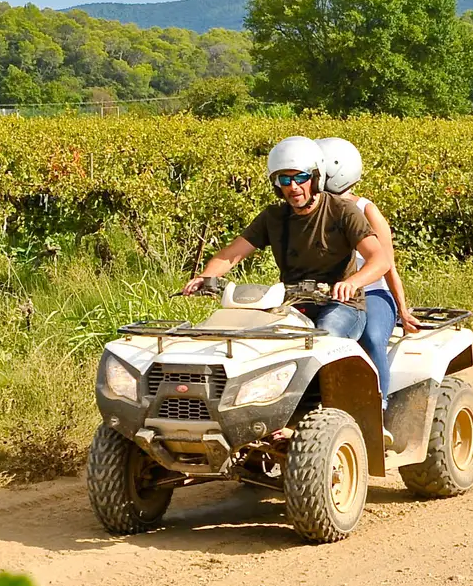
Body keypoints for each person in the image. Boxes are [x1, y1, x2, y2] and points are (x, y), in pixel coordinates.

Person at [181, 136, 390, 348]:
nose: (293, 186)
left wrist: (351, 283)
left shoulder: (342, 211)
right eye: (285, 180)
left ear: (316, 178)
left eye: (300, 177)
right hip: (291, 303)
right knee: (251, 342)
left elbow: (380, 260)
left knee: (325, 337)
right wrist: (205, 277)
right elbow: (230, 254)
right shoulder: (273, 217)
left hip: (341, 304)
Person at [315, 137, 423, 403]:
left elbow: (388, 265)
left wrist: (403, 310)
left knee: (373, 338)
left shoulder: (367, 210)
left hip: (372, 292)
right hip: (329, 293)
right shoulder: (312, 211)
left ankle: (379, 410)